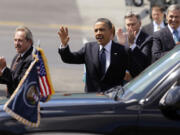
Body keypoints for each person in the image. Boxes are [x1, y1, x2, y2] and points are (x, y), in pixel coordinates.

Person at [58, 18, 142, 93]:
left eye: (102, 30)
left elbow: (137, 72)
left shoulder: (122, 51)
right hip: (92, 99)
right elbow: (69, 58)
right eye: (96, 30)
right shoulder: (88, 48)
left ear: (110, 32)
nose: (98, 33)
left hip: (114, 100)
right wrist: (64, 45)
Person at [117, 12, 152, 81]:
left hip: (140, 79)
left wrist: (132, 44)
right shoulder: (124, 38)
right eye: (128, 25)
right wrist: (120, 46)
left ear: (140, 24)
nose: (130, 27)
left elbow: (144, 61)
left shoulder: (147, 39)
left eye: (133, 24)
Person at [0, 26, 34, 97]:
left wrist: (4, 70)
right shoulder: (18, 56)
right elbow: (10, 80)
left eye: (20, 40)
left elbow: (20, 82)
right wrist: (1, 73)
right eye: (15, 40)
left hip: (20, 102)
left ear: (29, 42)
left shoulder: (31, 59)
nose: (16, 43)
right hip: (12, 100)